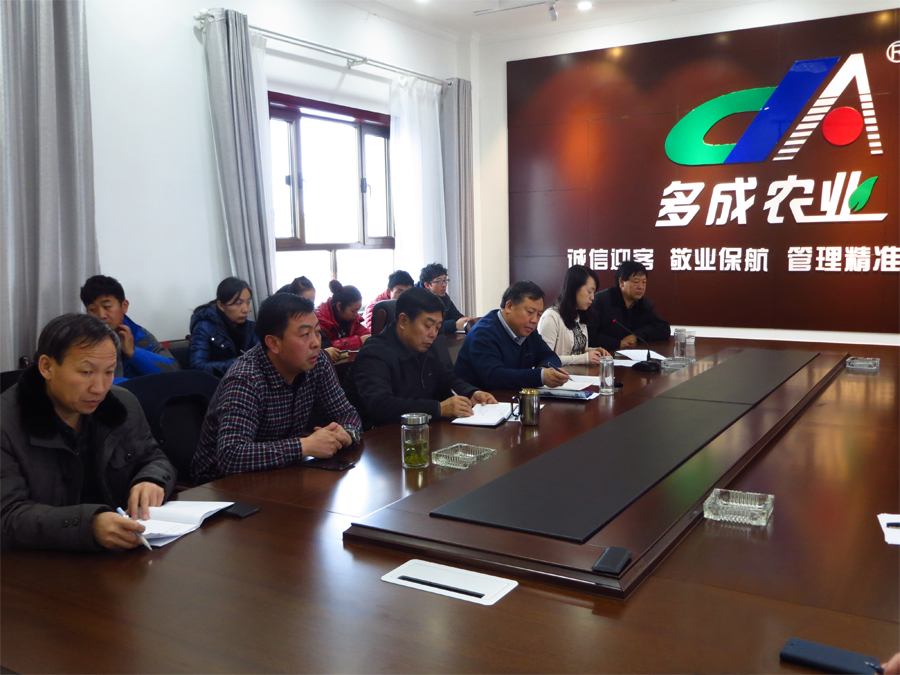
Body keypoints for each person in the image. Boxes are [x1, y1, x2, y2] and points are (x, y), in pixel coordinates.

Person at [1, 314, 177, 551]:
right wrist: (88, 526)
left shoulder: (122, 404)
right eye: (86, 372)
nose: (100, 388)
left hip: (121, 553)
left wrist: (152, 479)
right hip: (40, 562)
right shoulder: (6, 423)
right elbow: (7, 516)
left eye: (109, 372)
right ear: (46, 367)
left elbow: (155, 458)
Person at [191, 293, 363, 483]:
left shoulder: (317, 362)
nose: (316, 342)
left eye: (317, 332)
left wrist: (347, 433)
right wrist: (304, 446)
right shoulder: (245, 378)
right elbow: (231, 455)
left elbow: (346, 413)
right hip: (220, 486)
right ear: (273, 343)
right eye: (305, 335)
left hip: (281, 474)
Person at [344, 287, 497, 429]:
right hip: (377, 438)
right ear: (403, 321)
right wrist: (438, 409)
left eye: (437, 328)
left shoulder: (424, 347)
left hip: (418, 431)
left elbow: (445, 378)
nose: (433, 334)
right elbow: (380, 406)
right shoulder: (374, 353)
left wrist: (471, 393)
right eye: (427, 325)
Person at [454, 281, 569, 391]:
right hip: (478, 400)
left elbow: (550, 356)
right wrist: (540, 376)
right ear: (509, 306)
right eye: (530, 312)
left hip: (510, 396)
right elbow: (494, 376)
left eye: (539, 314)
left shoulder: (528, 331)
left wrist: (545, 368)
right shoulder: (483, 333)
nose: (535, 320)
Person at [80, 274, 178, 379]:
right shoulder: (80, 340)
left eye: (107, 307)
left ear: (124, 306)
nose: (101, 315)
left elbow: (174, 371)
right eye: (93, 310)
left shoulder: (139, 334)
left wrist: (133, 352)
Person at [587, 260, 671, 353]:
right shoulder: (600, 301)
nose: (641, 287)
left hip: (633, 356)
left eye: (644, 282)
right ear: (621, 282)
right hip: (604, 356)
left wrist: (636, 335)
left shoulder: (644, 304)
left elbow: (664, 328)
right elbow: (589, 336)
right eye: (636, 281)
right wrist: (618, 343)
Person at [538, 265, 611, 366]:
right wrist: (585, 358)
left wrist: (593, 351)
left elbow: (576, 352)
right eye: (589, 292)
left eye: (594, 292)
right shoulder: (551, 317)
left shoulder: (578, 315)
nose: (592, 297)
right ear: (574, 289)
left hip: (578, 374)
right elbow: (545, 359)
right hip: (560, 375)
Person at [189, 277, 260, 376]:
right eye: (238, 303)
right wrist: (239, 363)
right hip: (215, 382)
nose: (245, 309)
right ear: (221, 306)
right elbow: (197, 366)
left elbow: (261, 356)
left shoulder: (250, 326)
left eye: (248, 302)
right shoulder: (204, 326)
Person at [315, 280, 370, 351]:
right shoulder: (319, 320)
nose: (356, 314)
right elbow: (323, 346)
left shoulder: (353, 320)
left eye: (357, 310)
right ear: (339, 306)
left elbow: (367, 336)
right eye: (353, 311)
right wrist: (358, 341)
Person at [419, 262, 471, 334]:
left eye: (445, 280)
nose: (444, 285)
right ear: (427, 285)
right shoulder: (419, 300)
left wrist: (466, 321)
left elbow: (456, 316)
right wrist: (454, 325)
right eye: (439, 281)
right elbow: (428, 326)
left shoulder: (444, 297)